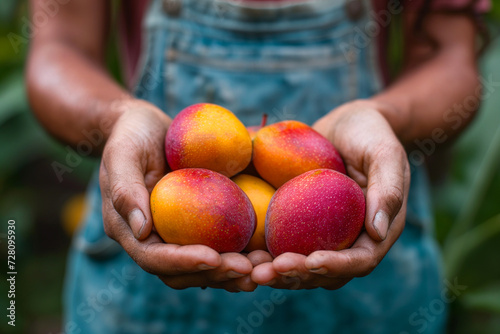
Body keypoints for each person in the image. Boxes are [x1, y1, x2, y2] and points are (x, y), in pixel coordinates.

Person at [27, 0, 489, 333]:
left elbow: (451, 57)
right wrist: (118, 119)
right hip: (143, 276)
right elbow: (58, 46)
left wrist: (385, 117)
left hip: (367, 249)